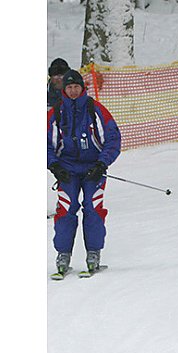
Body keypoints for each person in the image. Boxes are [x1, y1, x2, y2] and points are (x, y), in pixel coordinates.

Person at [47, 70, 121, 277]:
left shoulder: (94, 109)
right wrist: (54, 165)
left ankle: (93, 253)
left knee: (93, 208)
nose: (72, 91)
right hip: (67, 170)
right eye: (69, 87)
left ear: (82, 88)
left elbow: (113, 138)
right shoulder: (56, 113)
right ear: (64, 89)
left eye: (76, 87)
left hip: (92, 169)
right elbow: (45, 143)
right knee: (65, 209)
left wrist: (101, 164)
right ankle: (63, 255)